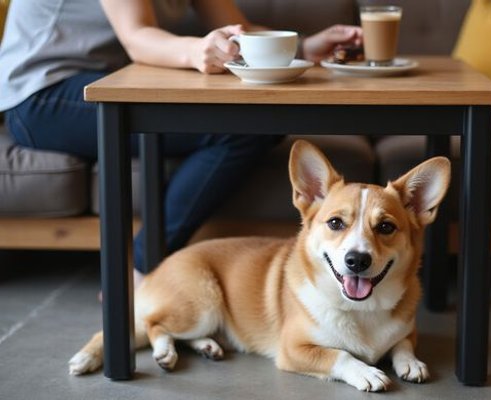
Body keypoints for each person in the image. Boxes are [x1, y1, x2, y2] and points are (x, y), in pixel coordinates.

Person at [0, 0, 362, 286]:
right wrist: (196, 51)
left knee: (253, 125)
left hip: (108, 82)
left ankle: (146, 263)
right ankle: (143, 270)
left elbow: (243, 30)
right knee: (245, 127)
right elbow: (137, 35)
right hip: (40, 96)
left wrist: (306, 46)